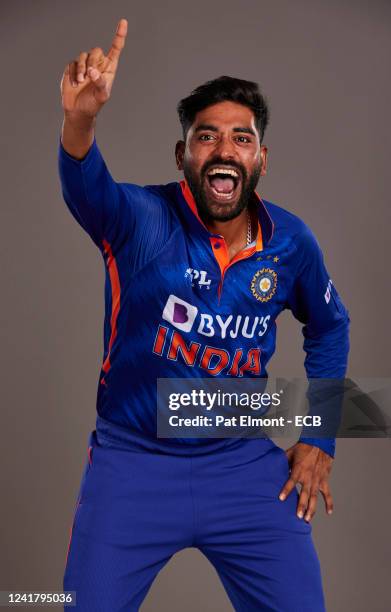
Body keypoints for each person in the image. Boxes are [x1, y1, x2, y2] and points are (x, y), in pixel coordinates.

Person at [59, 18, 350, 612]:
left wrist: (319, 436)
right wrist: (80, 120)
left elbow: (330, 326)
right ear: (182, 154)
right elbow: (87, 188)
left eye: (241, 139)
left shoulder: (290, 242)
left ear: (262, 158)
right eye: (206, 137)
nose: (225, 151)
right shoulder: (139, 219)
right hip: (133, 463)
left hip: (242, 465)